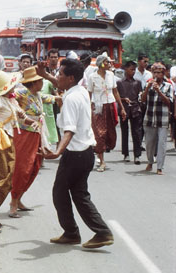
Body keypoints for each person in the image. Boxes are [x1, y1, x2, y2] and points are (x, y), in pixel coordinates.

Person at [40, 58, 114, 249]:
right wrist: (45, 75)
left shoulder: (72, 98)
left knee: (60, 193)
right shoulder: (78, 90)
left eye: (60, 74)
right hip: (85, 154)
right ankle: (100, 232)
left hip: (75, 155)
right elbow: (60, 84)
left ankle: (74, 233)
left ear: (70, 78)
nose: (57, 77)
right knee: (79, 194)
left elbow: (69, 130)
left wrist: (57, 152)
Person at [0, 70, 36, 233]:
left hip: (7, 141)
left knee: (6, 178)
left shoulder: (11, 101)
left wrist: (34, 123)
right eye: (11, 85)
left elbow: (22, 116)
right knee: (1, 180)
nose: (14, 87)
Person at [9, 67, 60, 218]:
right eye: (40, 81)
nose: (42, 83)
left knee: (34, 167)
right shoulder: (22, 93)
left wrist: (61, 98)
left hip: (37, 133)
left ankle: (19, 199)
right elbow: (9, 97)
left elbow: (49, 98)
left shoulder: (37, 94)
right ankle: (13, 201)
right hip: (25, 134)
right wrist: (20, 112)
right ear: (33, 82)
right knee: (22, 168)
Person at [87, 53, 126, 172]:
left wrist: (122, 107)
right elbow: (89, 94)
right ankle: (101, 159)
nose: (109, 64)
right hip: (98, 107)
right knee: (99, 133)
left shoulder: (111, 75)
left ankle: (102, 151)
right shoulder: (92, 77)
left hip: (110, 106)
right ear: (100, 64)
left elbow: (115, 92)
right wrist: (88, 109)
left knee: (110, 132)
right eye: (107, 62)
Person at [141, 63, 173, 175]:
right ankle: (150, 161)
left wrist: (159, 91)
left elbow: (169, 102)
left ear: (163, 74)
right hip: (149, 118)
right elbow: (143, 99)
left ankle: (160, 167)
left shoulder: (168, 86)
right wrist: (148, 88)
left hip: (162, 118)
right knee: (149, 143)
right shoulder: (148, 84)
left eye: (159, 73)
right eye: (154, 72)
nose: (156, 75)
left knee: (162, 144)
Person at [116, 61, 143, 164]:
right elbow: (117, 96)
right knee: (124, 132)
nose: (133, 71)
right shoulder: (119, 82)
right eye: (131, 69)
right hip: (124, 109)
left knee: (136, 132)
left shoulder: (137, 82)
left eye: (134, 69)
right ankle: (126, 154)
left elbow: (140, 96)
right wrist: (123, 99)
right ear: (126, 69)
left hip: (135, 109)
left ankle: (137, 155)